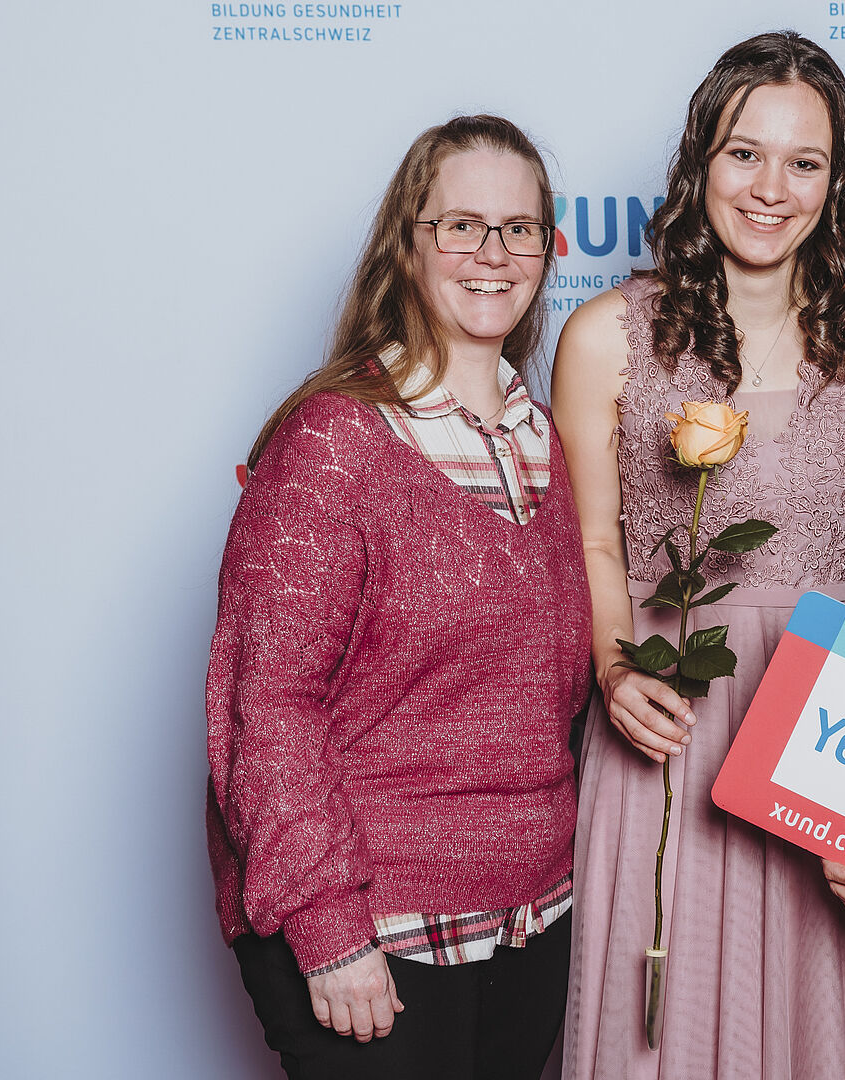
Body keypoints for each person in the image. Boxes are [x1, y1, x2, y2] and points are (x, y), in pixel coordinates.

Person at [552, 31, 845, 1080]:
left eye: (804, 162)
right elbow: (592, 541)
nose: (771, 189)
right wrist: (615, 670)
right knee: (660, 1028)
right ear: (700, 162)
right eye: (744, 154)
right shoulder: (606, 336)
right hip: (672, 720)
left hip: (839, 731)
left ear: (837, 183)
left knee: (834, 1024)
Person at [206, 114, 591, 1079]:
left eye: (518, 229)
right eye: (461, 226)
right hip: (376, 930)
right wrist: (328, 929)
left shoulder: (547, 440)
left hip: (533, 922)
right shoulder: (334, 442)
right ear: (407, 246)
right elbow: (267, 707)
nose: (493, 253)